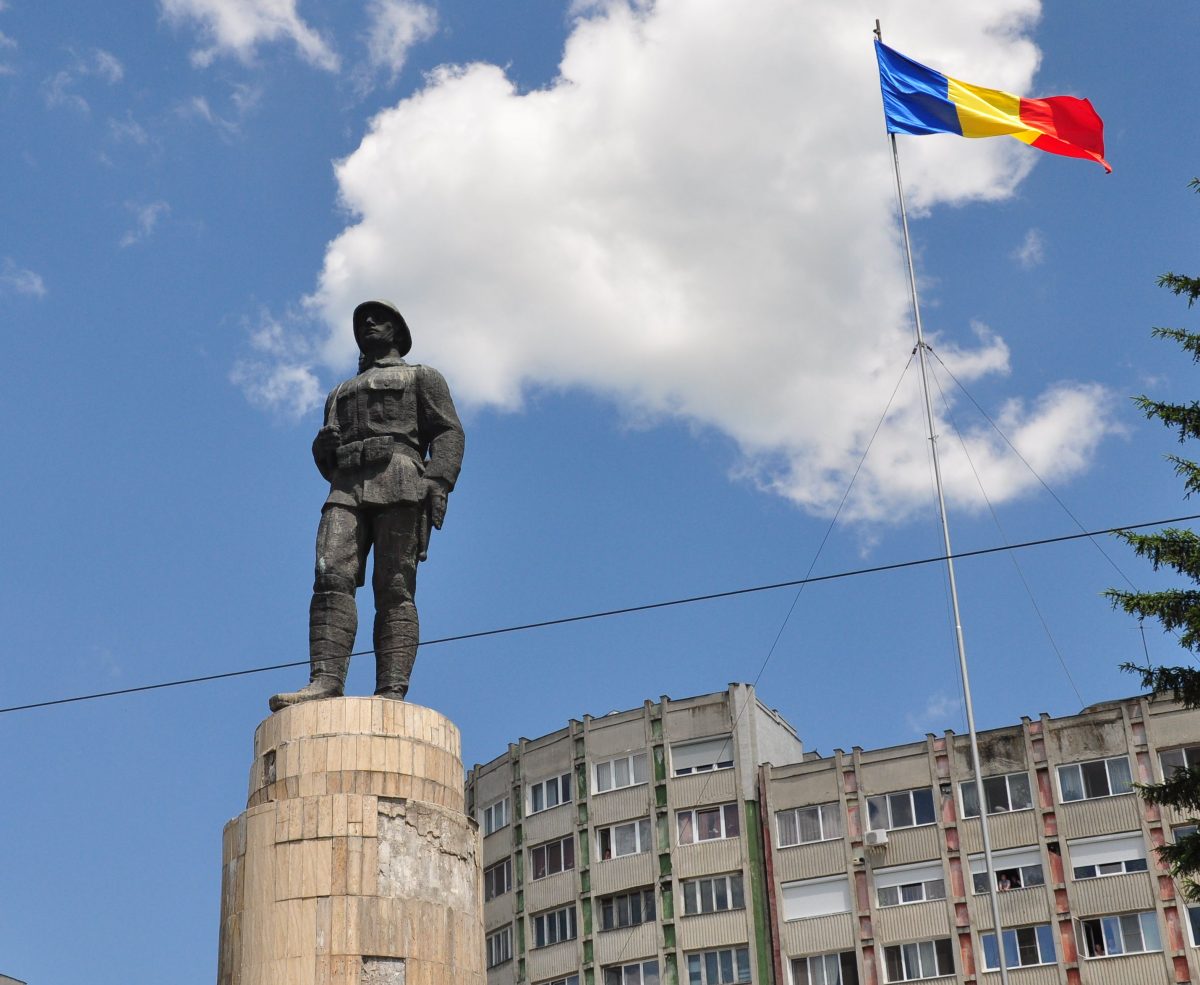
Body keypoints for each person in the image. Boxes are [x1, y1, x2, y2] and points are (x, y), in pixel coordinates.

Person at [269, 300, 464, 711]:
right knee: (329, 575)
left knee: (394, 587)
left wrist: (437, 482)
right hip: (345, 486)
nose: (369, 324)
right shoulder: (338, 391)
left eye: (379, 318)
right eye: (362, 321)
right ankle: (324, 680)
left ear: (398, 330)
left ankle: (391, 690)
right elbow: (328, 458)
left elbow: (447, 432)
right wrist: (322, 450)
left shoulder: (422, 377)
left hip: (399, 478)